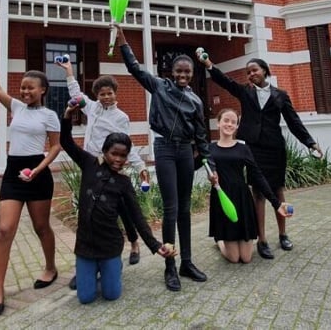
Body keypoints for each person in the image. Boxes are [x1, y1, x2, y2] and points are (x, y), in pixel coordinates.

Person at [114, 23, 217, 292]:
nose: (183, 75)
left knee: (184, 208)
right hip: (164, 149)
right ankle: (169, 266)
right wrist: (123, 39)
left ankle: (187, 262)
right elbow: (134, 68)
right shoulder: (159, 86)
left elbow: (202, 136)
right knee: (171, 209)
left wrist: (210, 165)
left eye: (188, 72)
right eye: (179, 71)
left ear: (193, 75)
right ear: (172, 72)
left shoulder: (195, 101)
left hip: (185, 151)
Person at [201, 54, 322, 260]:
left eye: (254, 70)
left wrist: (310, 142)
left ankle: (283, 234)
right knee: (258, 193)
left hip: (274, 149)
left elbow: (293, 122)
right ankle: (262, 240)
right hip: (253, 149)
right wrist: (209, 65)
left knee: (278, 191)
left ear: (265, 70)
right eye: (248, 72)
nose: (251, 74)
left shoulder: (281, 95)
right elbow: (225, 82)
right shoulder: (245, 92)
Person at [59, 102, 177, 304]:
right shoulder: (88, 163)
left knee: (111, 294)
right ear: (104, 151)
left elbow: (137, 216)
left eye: (123, 156)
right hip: (85, 244)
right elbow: (66, 142)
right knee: (85, 298)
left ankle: (113, 266)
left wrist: (155, 245)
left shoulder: (123, 183)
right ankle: (90, 269)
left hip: (109, 245)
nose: (118, 159)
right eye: (114, 153)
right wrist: (68, 115)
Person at [0, 54, 61, 317]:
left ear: (42, 90)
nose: (24, 91)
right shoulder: (16, 108)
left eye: (29, 87)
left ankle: (51, 267)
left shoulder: (50, 115)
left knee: (41, 226)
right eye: (22, 87)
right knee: (3, 229)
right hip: (13, 172)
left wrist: (38, 170)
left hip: (37, 172)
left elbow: (55, 146)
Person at [55, 59, 150, 280]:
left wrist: (140, 167)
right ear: (97, 95)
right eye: (101, 94)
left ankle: (134, 244)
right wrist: (69, 71)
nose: (106, 97)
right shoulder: (93, 108)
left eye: (109, 93)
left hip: (113, 166)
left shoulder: (121, 117)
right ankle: (88, 261)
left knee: (123, 208)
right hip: (91, 164)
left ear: (116, 93)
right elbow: (76, 93)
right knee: (90, 208)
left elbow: (128, 145)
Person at [208, 108, 292, 263]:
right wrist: (211, 175)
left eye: (233, 122)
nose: (229, 124)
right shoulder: (210, 149)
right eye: (226, 120)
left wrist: (276, 203)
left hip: (242, 200)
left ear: (237, 127)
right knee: (234, 258)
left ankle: (238, 239)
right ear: (218, 123)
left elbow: (258, 176)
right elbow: (208, 166)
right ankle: (220, 241)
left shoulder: (243, 149)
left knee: (246, 258)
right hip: (223, 198)